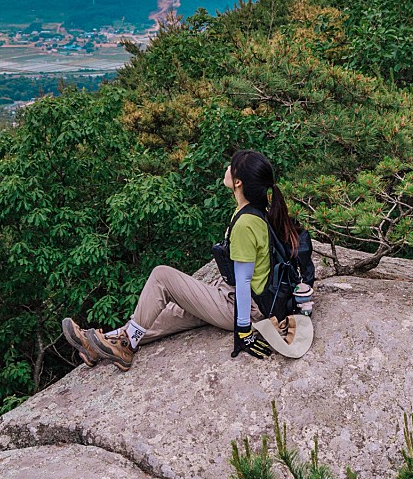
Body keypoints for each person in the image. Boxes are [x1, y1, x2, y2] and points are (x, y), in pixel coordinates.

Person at [60, 149, 304, 372]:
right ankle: (99, 345)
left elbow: (244, 281)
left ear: (238, 182)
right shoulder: (255, 210)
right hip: (237, 299)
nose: (226, 169)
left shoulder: (246, 223)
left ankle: (126, 346)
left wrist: (243, 332)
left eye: (231, 167)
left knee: (162, 276)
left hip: (242, 308)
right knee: (164, 315)